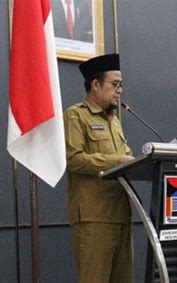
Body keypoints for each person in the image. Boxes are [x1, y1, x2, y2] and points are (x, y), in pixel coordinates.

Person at [64, 54, 135, 283]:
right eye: (115, 84)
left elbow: (125, 158)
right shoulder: (76, 115)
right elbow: (73, 159)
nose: (119, 90)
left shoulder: (114, 120)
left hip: (121, 214)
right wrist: (117, 161)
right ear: (95, 84)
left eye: (121, 85)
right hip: (94, 217)